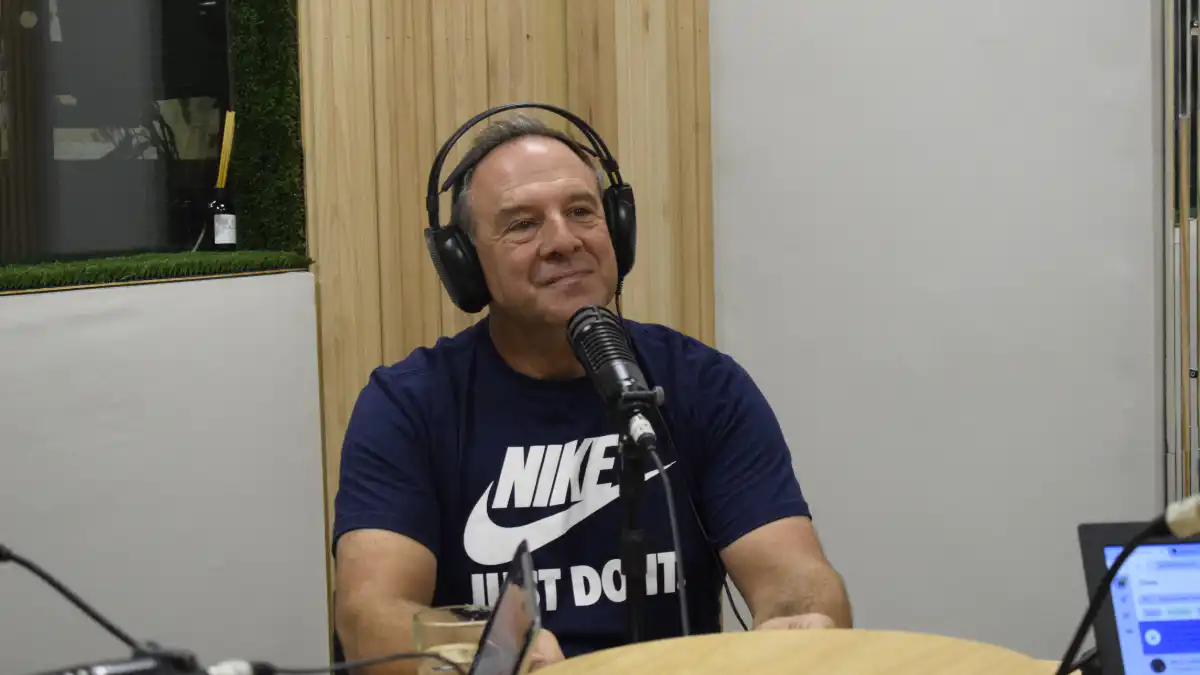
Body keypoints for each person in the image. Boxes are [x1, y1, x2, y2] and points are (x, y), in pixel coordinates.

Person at [331, 111, 852, 673]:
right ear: (465, 263)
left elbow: (792, 576)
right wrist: (483, 648)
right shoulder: (408, 405)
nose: (563, 240)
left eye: (581, 211)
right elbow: (368, 617)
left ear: (617, 229)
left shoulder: (704, 384)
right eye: (522, 224)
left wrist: (801, 622)